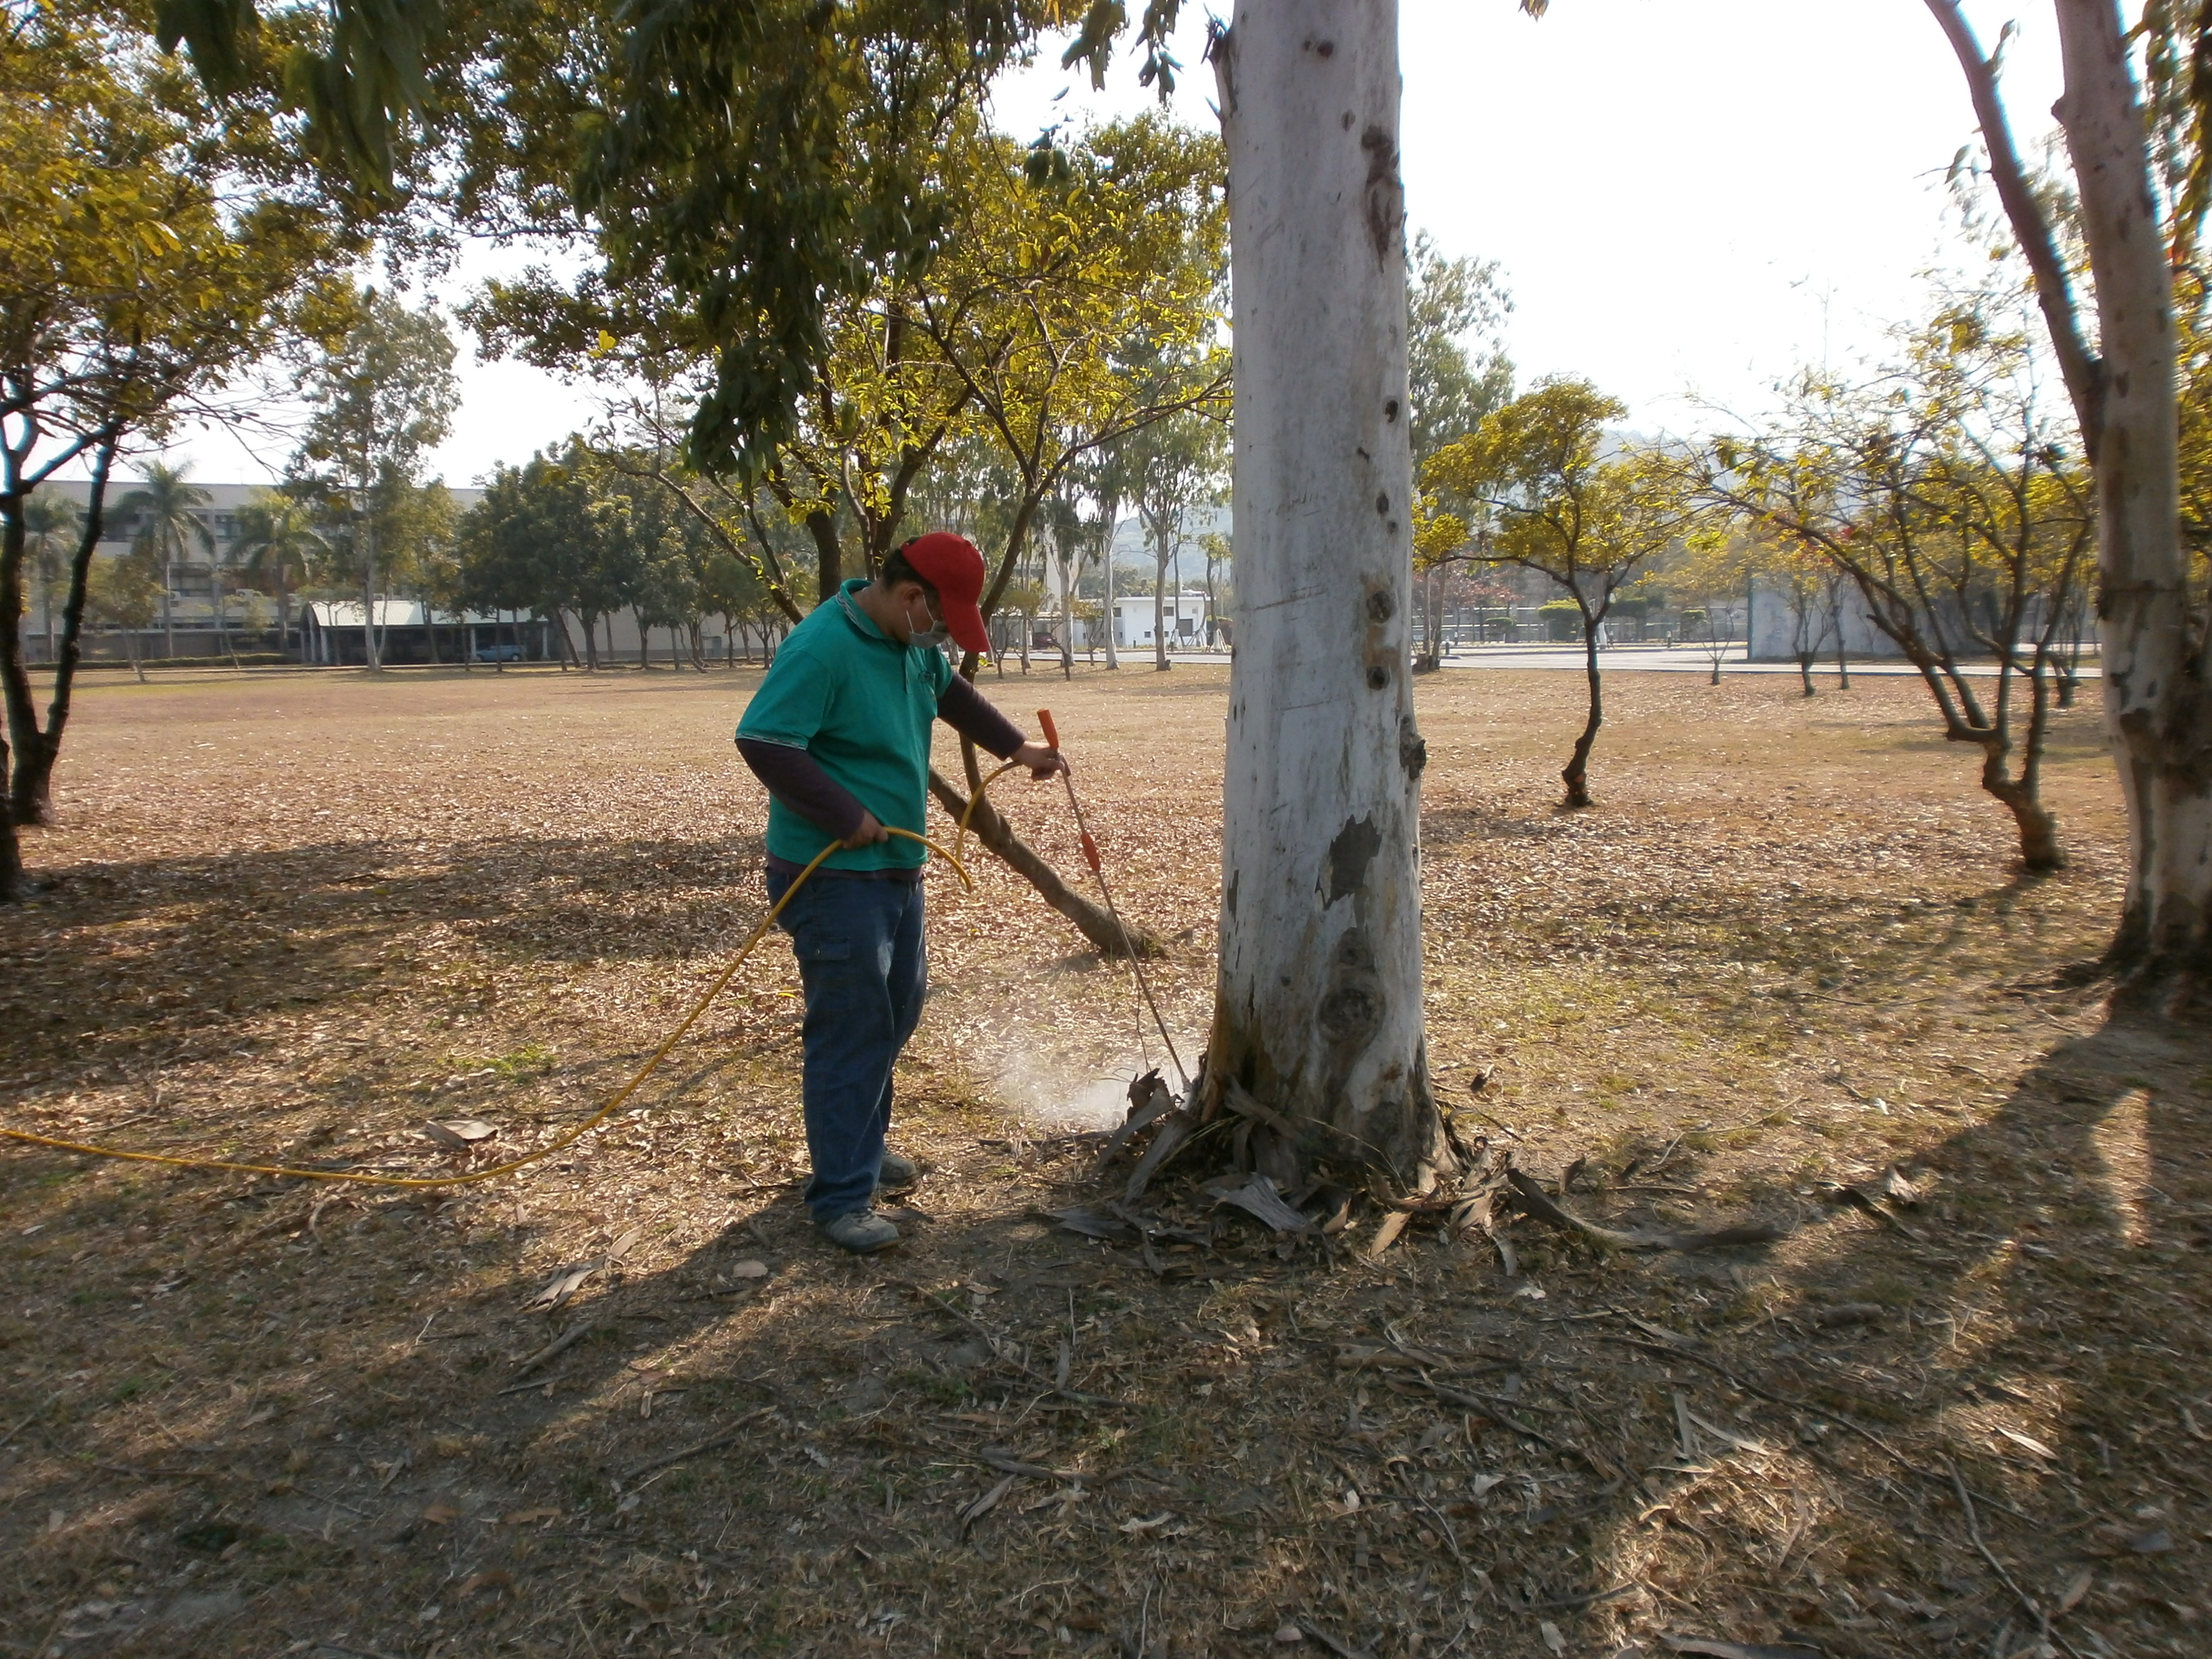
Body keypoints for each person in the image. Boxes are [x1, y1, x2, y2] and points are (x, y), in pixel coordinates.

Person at [734, 532, 1061, 1253]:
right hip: (830, 877)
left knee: (895, 1011)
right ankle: (842, 1198)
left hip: (894, 870)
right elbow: (764, 740)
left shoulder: (911, 644)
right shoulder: (823, 649)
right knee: (852, 1029)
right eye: (938, 621)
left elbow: (951, 694)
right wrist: (842, 813)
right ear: (911, 596)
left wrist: (1018, 749)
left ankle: (860, 1145)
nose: (940, 639)